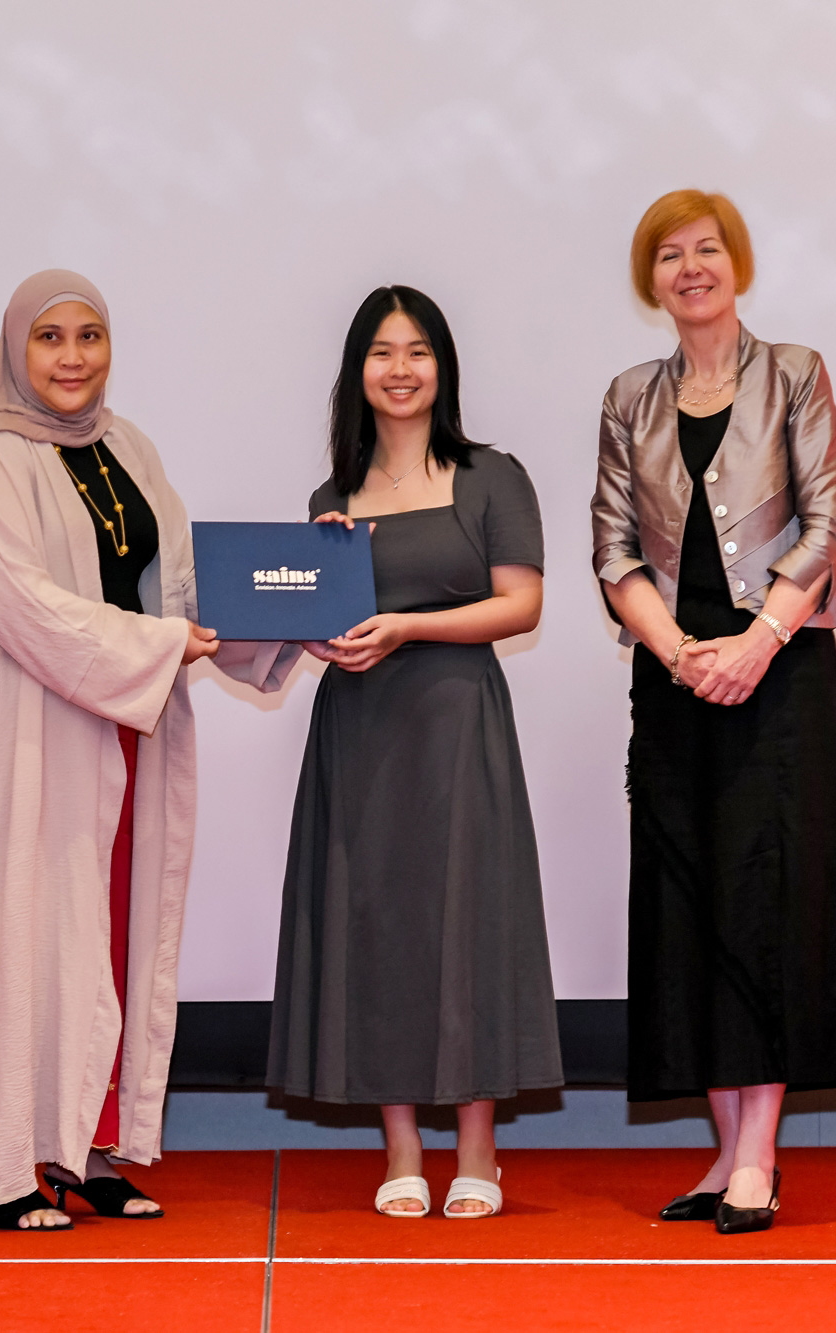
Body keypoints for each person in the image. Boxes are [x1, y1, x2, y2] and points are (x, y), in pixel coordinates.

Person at [0, 271, 297, 1231]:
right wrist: (163, 647)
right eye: (50, 337)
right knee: (20, 938)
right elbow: (19, 603)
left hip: (126, 733)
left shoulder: (128, 446)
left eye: (90, 335)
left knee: (112, 940)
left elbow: (180, 585)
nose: (73, 356)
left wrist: (300, 598)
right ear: (16, 348)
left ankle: (88, 1149)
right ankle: (0, 1168)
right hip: (27, 742)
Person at [590, 190, 836, 1235]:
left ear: (736, 266)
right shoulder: (628, 395)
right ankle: (723, 1150)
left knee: (766, 908)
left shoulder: (794, 371)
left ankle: (758, 1154)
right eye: (667, 255)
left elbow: (828, 524)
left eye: (705, 250)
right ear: (649, 280)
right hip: (674, 685)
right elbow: (612, 549)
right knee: (688, 909)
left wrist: (755, 643)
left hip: (779, 681)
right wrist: (674, 653)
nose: (689, 268)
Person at [268, 285, 562, 1220]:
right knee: (375, 922)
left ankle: (478, 1144)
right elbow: (319, 618)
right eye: (382, 352)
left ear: (444, 367)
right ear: (356, 370)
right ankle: (401, 1144)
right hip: (360, 732)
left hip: (456, 722)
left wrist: (406, 625)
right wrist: (321, 627)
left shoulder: (489, 475)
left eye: (418, 351)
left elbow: (521, 605)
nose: (400, 369)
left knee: (468, 918)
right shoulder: (331, 497)